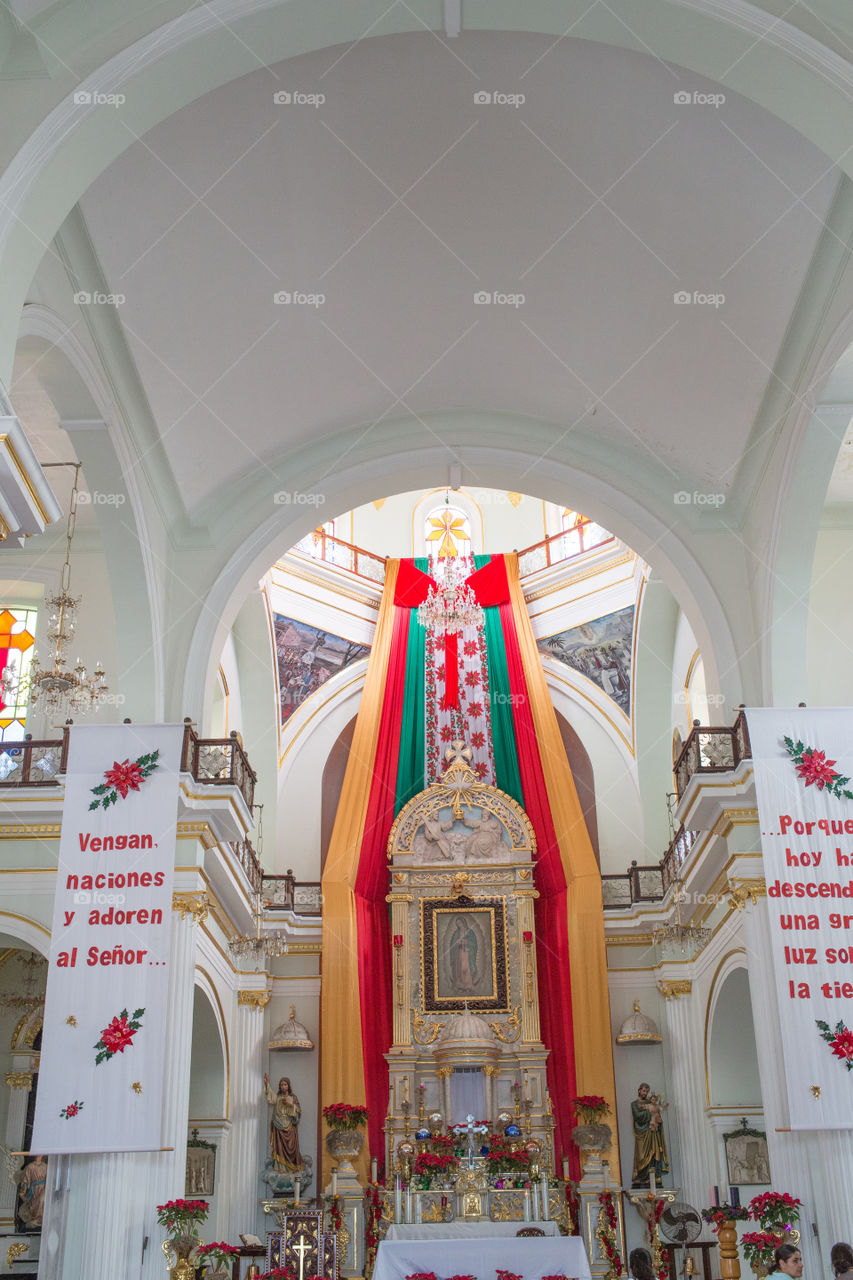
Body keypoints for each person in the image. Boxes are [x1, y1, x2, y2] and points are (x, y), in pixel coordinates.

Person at [263, 1074, 305, 1172]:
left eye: (285, 1084)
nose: (283, 1086)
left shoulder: (293, 1097)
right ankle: (280, 1168)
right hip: (278, 1125)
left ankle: (291, 1167)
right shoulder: (278, 1097)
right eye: (281, 1085)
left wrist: (291, 1105)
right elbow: (271, 1097)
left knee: (291, 1147)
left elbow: (298, 1111)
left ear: (288, 1086)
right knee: (279, 1148)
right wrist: (266, 1084)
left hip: (289, 1127)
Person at [630, 1082, 669, 1187]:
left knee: (653, 1153)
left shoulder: (652, 1103)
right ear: (639, 1091)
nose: (645, 1093)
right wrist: (650, 1110)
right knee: (641, 1155)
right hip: (641, 1133)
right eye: (643, 1091)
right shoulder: (634, 1104)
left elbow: (658, 1116)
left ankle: (652, 1177)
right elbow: (637, 1116)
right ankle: (640, 1176)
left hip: (652, 1132)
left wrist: (658, 1120)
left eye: (647, 1091)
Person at [448, 914, 479, 993]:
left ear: (463, 923)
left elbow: (474, 943)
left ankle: (468, 985)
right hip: (458, 953)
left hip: (466, 953)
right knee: (458, 968)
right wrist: (456, 942)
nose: (459, 925)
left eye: (460, 923)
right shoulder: (456, 933)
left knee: (465, 968)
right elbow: (452, 944)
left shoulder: (469, 932)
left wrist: (465, 941)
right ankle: (459, 985)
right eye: (458, 924)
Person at [16, 1154, 47, 1230]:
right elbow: (26, 1180)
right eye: (37, 1155)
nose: (39, 1156)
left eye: (40, 1155)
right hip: (34, 1189)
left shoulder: (45, 1166)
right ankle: (38, 1219)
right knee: (34, 1205)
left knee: (42, 1199)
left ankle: (42, 1218)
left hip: (44, 1187)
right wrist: (23, 1190)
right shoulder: (30, 1166)